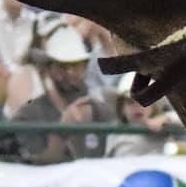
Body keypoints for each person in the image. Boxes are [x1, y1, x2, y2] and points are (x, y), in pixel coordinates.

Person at [9, 25, 114, 164]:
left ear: (85, 67)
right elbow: (35, 169)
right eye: (62, 66)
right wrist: (61, 131)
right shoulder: (28, 115)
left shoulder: (103, 111)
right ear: (47, 69)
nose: (70, 73)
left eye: (76, 65)